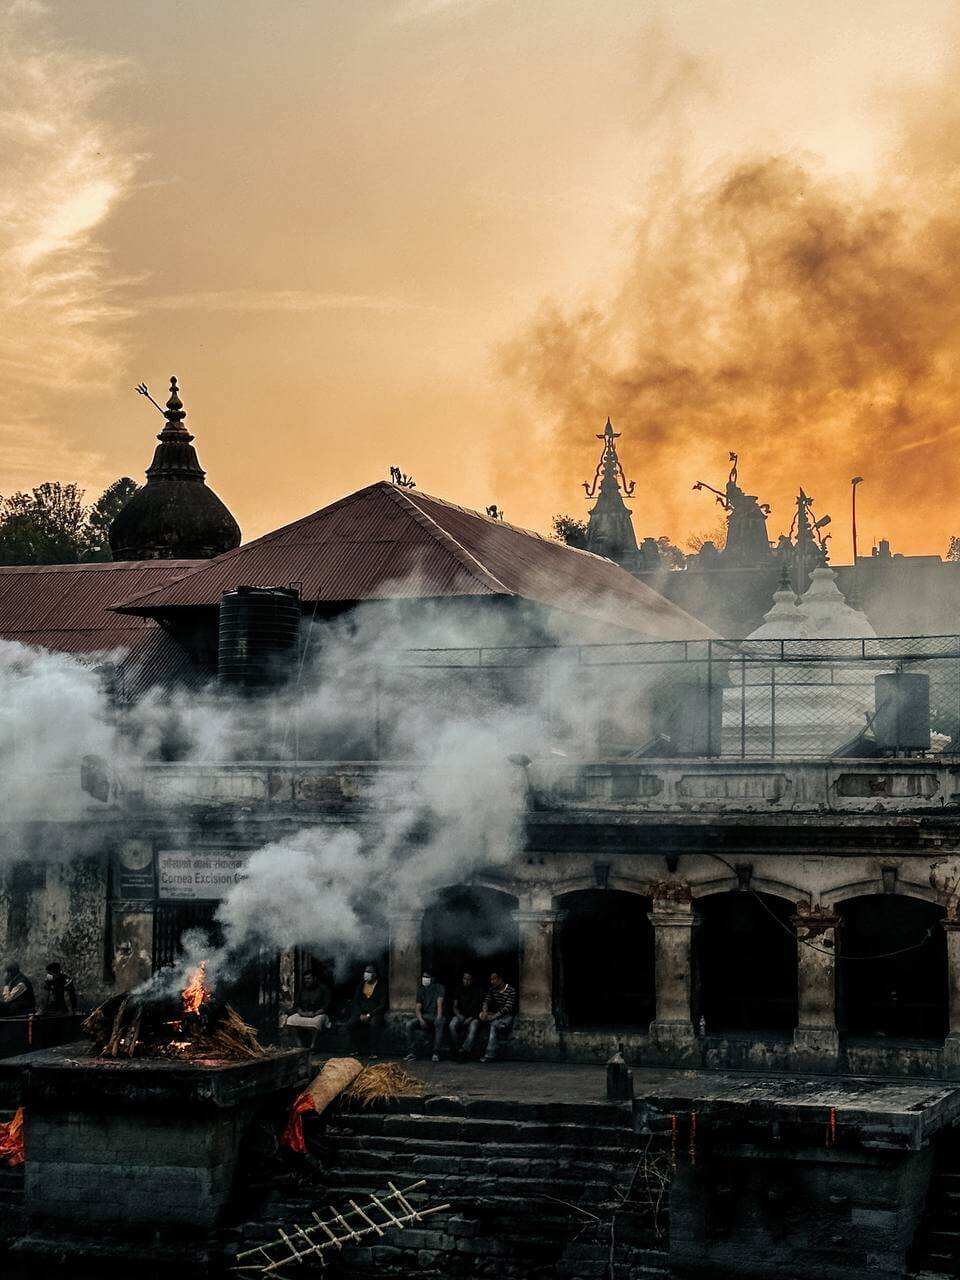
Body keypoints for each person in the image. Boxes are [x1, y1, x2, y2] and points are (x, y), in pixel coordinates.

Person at [346, 963, 386, 1058]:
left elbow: (383, 1005)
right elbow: (355, 1001)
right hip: (361, 1013)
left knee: (374, 1024)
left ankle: (373, 1052)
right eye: (365, 971)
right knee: (350, 1024)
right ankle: (356, 1049)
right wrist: (360, 1014)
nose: (366, 973)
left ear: (375, 974)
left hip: (374, 1013)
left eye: (369, 972)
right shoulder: (361, 985)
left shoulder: (381, 986)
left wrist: (369, 1015)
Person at [283, 969, 331, 1049]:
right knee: (290, 1020)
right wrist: (302, 1013)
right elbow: (297, 1005)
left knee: (317, 1022)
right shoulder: (302, 989)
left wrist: (315, 1014)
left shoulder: (323, 989)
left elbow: (326, 1006)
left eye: (309, 978)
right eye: (305, 979)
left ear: (314, 979)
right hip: (304, 1013)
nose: (306, 981)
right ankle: (299, 1045)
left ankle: (313, 1045)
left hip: (318, 1014)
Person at [405, 969, 446, 1062]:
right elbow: (418, 1008)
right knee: (409, 1025)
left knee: (440, 1023)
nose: (425, 979)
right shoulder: (421, 990)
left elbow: (439, 1003)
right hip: (425, 1016)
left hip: (435, 1015)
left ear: (433, 979)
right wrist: (420, 1020)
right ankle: (412, 1052)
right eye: (424, 977)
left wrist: (438, 1017)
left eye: (427, 977)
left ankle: (436, 1052)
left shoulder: (439, 988)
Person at [478, 970, 516, 1063]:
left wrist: (493, 1017)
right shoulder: (492, 989)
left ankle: (489, 1055)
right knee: (480, 1017)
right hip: (496, 1015)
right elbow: (486, 1001)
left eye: (494, 979)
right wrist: (485, 1011)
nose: (492, 981)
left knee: (494, 1025)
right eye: (491, 979)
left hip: (507, 1017)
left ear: (500, 979)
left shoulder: (511, 990)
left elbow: (507, 1008)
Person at [449, 970, 484, 1057]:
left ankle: (464, 1050)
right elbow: (455, 1006)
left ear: (472, 980)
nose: (466, 981)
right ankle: (457, 1047)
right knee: (452, 1025)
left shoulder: (477, 991)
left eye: (468, 979)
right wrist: (458, 1015)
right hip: (460, 1015)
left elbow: (479, 1008)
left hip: (473, 1017)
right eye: (465, 979)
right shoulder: (458, 989)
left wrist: (470, 1018)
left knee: (473, 1027)